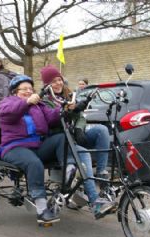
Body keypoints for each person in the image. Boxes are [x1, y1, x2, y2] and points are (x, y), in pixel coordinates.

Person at [40, 65, 115, 218]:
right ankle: (95, 202)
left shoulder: (68, 95)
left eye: (59, 80)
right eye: (53, 81)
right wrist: (66, 110)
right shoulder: (45, 101)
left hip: (72, 136)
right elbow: (50, 121)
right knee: (85, 153)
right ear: (47, 85)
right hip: (59, 141)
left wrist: (80, 128)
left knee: (102, 130)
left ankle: (101, 176)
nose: (58, 83)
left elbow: (80, 116)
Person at [0, 75, 65, 224]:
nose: (28, 91)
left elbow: (52, 117)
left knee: (61, 137)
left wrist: (63, 109)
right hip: (14, 147)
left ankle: (69, 171)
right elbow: (9, 112)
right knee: (34, 163)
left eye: (30, 89)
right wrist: (27, 102)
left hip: (37, 146)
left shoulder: (38, 105)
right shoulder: (6, 102)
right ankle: (41, 210)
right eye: (24, 89)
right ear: (15, 92)